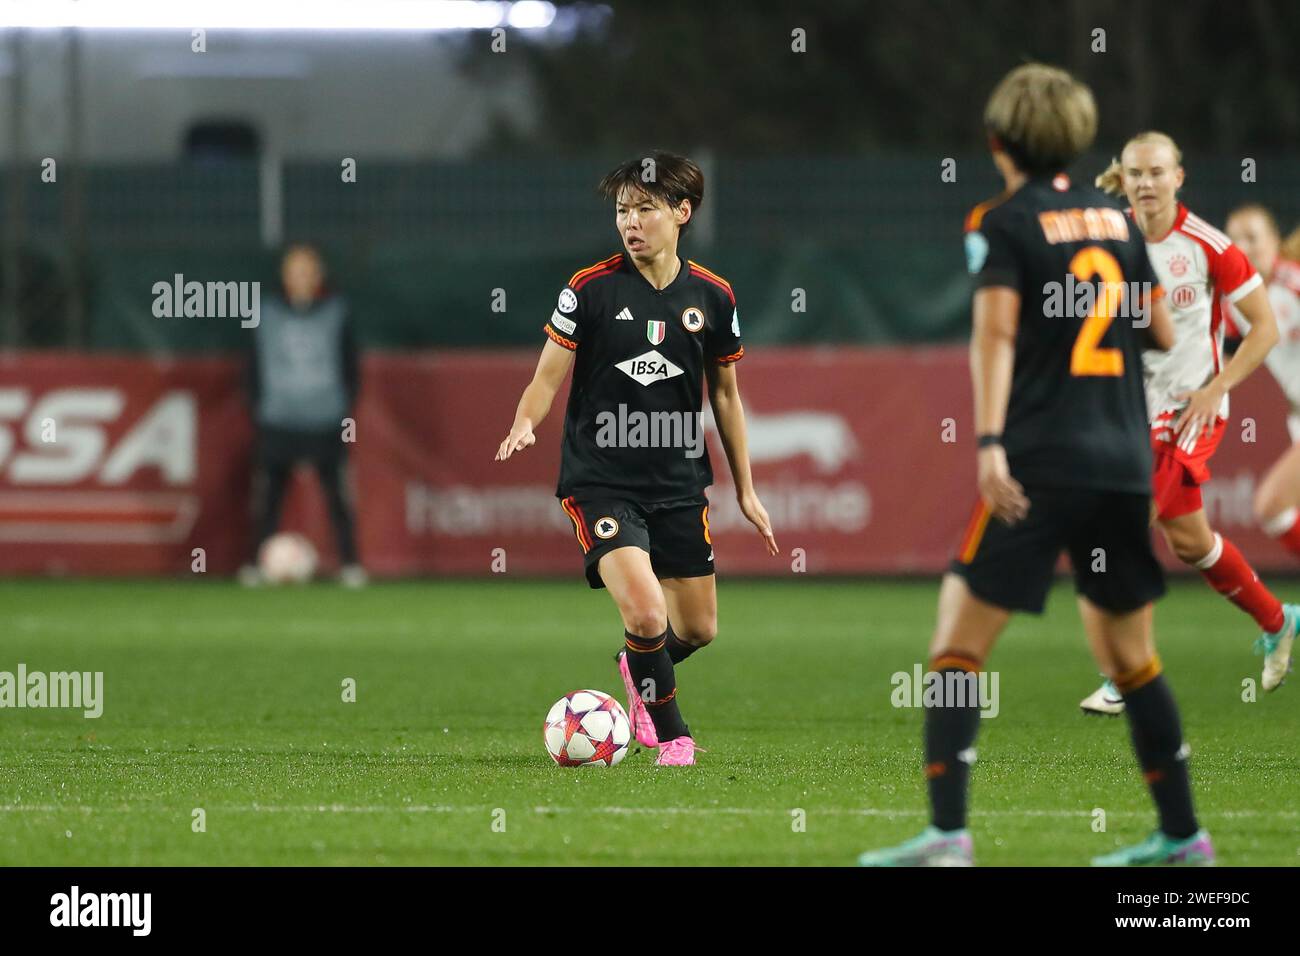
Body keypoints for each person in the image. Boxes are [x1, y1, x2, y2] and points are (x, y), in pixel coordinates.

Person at [857, 64, 1209, 866]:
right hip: (1122, 463)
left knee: (956, 643)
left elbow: (996, 335)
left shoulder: (1004, 220)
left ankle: (948, 834)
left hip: (1042, 462)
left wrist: (987, 445)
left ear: (996, 142)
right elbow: (1158, 332)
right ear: (1079, 139)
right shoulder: (1119, 223)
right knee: (1131, 659)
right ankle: (1184, 838)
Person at [495, 151, 778, 766]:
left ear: (682, 213)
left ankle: (637, 667)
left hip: (678, 483)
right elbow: (547, 378)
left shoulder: (714, 296)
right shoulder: (588, 289)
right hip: (601, 482)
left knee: (698, 628)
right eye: (623, 210)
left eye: (645, 209)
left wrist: (747, 490)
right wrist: (525, 419)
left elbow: (726, 397)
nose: (630, 221)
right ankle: (673, 736)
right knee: (647, 612)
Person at [1079, 135, 1293, 714]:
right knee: (1190, 540)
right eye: (1134, 174)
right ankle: (1279, 619)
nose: (1145, 183)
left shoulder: (1209, 246)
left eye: (1156, 172)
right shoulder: (1109, 236)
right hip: (1130, 410)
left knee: (1124, 526)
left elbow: (1264, 329)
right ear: (1121, 180)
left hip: (1190, 410)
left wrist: (1215, 389)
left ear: (1180, 177)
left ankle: (1124, 673)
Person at [240, 243, 366, 588]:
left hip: (325, 420)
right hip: (278, 420)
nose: (302, 278)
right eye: (296, 271)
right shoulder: (265, 313)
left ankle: (351, 564)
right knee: (267, 498)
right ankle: (254, 564)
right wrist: (258, 407)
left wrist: (343, 407)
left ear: (318, 277)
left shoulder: (336, 311)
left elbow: (350, 365)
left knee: (339, 497)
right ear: (285, 276)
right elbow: (252, 366)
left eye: (308, 271)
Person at [1224, 206, 1300, 635]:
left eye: (1254, 237)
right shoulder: (1241, 302)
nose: (1245, 247)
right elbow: (1230, 353)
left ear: (1274, 241)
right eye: (1235, 238)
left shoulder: (1293, 283)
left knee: (1271, 505)